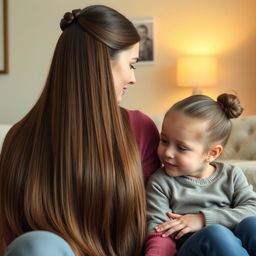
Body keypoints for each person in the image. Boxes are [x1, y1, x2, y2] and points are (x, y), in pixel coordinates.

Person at [0, 5, 160, 256]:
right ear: (99, 63)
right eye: (131, 65)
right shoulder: (19, 139)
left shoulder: (141, 129)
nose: (133, 78)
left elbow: (157, 219)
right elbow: (11, 236)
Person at [145, 93, 256, 256]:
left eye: (181, 148)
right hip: (191, 250)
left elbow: (252, 208)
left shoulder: (232, 175)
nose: (168, 153)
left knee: (252, 225)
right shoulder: (160, 182)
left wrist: (202, 219)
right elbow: (159, 231)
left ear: (212, 153)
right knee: (216, 234)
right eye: (164, 140)